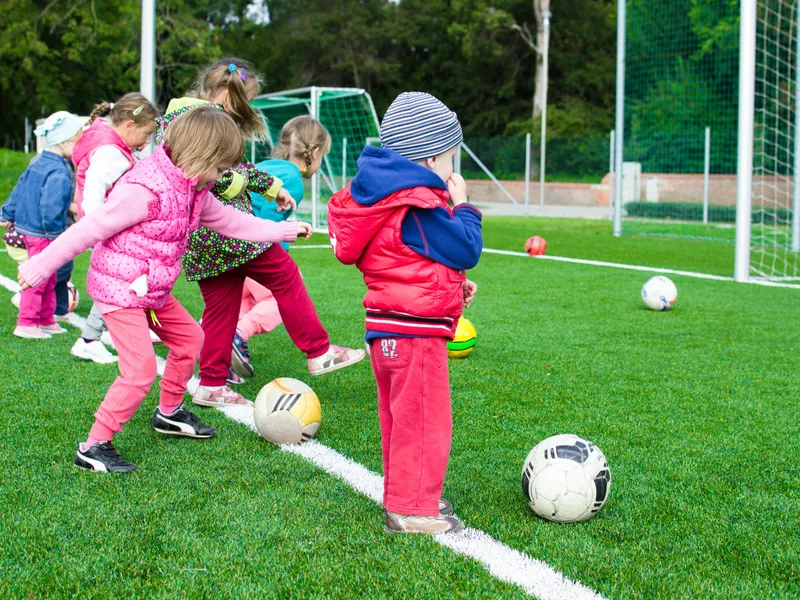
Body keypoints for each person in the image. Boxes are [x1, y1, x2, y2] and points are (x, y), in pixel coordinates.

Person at [16, 107, 312, 473]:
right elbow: (88, 229)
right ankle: (93, 445)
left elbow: (229, 221)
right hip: (120, 290)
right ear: (199, 157)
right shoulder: (144, 189)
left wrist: (282, 230)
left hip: (152, 290)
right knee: (140, 370)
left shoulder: (195, 188)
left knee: (191, 340)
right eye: (220, 169)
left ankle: (169, 413)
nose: (223, 178)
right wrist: (39, 267)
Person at [156, 57, 364, 408]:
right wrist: (246, 191)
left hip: (201, 239)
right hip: (227, 230)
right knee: (285, 275)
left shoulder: (179, 116)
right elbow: (216, 175)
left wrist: (272, 188)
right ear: (226, 94)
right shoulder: (204, 120)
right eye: (246, 100)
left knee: (222, 307)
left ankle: (211, 383)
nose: (247, 108)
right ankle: (318, 351)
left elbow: (236, 167)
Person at [328, 92, 483, 534]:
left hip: (389, 329)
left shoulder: (385, 199)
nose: (454, 169)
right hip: (414, 336)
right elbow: (465, 246)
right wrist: (464, 206)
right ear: (432, 156)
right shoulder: (417, 204)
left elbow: (406, 261)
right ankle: (412, 509)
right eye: (452, 157)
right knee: (423, 421)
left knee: (401, 419)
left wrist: (453, 288)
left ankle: (408, 493)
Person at [230, 116, 332, 382]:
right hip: (253, 250)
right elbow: (267, 222)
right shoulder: (294, 182)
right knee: (279, 300)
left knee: (238, 302)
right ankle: (238, 334)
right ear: (316, 152)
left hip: (228, 246)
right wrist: (284, 239)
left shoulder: (263, 166)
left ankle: (220, 352)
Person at [69, 93, 160, 365]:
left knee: (125, 281)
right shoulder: (111, 153)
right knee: (118, 283)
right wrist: (103, 229)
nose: (146, 143)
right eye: (146, 134)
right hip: (109, 231)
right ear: (129, 125)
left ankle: (101, 334)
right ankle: (89, 339)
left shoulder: (112, 146)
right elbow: (94, 196)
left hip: (109, 229)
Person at [1, 111, 84, 339]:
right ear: (65, 141)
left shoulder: (38, 161)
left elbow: (19, 187)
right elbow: (51, 205)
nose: (79, 146)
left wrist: (7, 212)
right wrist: (56, 234)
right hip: (44, 233)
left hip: (32, 229)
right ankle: (27, 322)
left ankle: (45, 319)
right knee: (38, 277)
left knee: (49, 277)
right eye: (77, 141)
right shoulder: (58, 170)